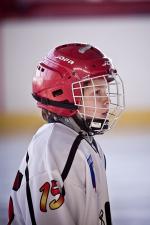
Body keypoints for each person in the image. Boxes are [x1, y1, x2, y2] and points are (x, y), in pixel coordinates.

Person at [8, 43, 125, 225]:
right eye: (96, 92)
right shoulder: (55, 147)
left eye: (105, 91)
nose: (106, 100)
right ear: (64, 95)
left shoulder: (82, 142)